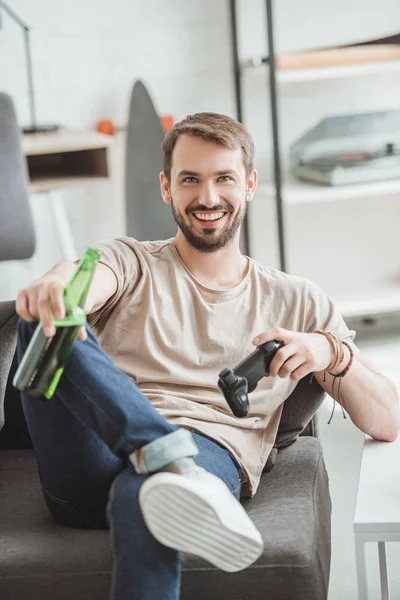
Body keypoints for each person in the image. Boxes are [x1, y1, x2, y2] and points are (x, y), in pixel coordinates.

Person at [16, 112, 400, 600]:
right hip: (91, 459)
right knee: (45, 317)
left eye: (224, 179)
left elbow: (388, 420)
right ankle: (162, 449)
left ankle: (168, 464)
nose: (208, 197)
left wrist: (330, 352)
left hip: (207, 457)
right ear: (166, 187)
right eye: (190, 180)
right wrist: (58, 282)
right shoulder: (132, 262)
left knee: (152, 492)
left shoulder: (299, 301)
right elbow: (84, 281)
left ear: (250, 184)